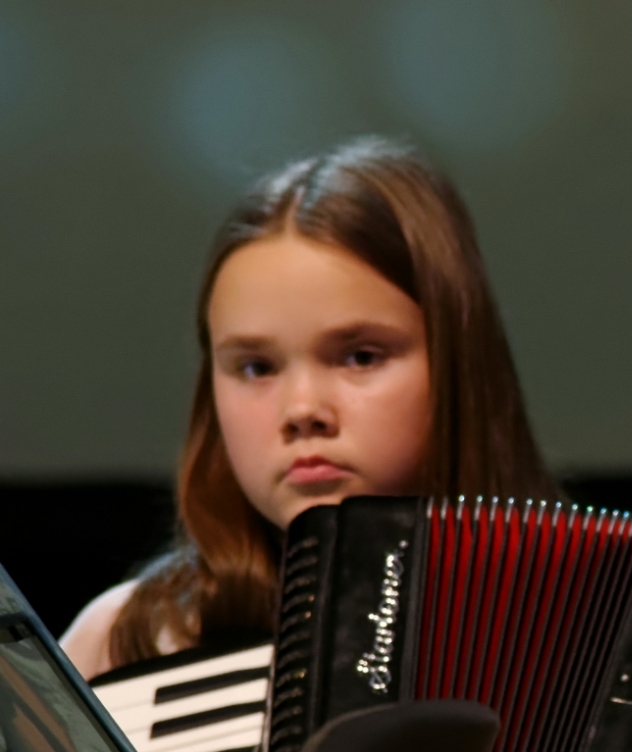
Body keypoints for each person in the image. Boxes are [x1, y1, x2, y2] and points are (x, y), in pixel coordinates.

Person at [61, 137, 557, 680]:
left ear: (459, 369)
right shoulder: (123, 643)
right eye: (256, 368)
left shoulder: (596, 620)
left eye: (360, 357)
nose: (302, 411)